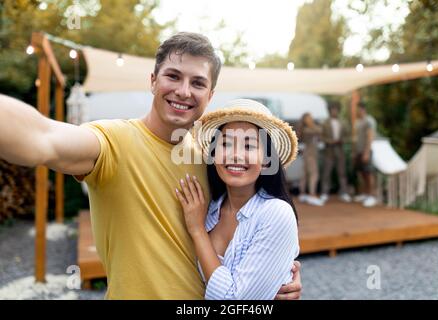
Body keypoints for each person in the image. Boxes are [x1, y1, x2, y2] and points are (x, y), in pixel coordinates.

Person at [0, 32, 301, 299]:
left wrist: (274, 283)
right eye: (173, 76)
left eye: (197, 83)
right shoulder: (114, 142)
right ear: (153, 80)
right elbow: (43, 137)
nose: (184, 91)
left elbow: (241, 250)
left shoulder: (212, 159)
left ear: (210, 96)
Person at [175, 99, 299, 299]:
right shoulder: (209, 209)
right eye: (226, 144)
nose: (236, 155)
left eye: (249, 146)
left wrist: (197, 230)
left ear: (267, 161)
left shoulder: (276, 213)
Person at [320, 102, 352, 203]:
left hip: (340, 150)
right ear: (329, 110)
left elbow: (348, 136)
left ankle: (344, 193)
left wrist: (343, 140)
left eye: (336, 109)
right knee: (326, 172)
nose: (334, 111)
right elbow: (322, 137)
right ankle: (324, 193)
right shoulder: (324, 122)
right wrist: (330, 141)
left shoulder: (344, 122)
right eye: (332, 109)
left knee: (342, 172)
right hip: (328, 151)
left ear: (338, 110)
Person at [353, 102, 377, 207]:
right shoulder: (357, 122)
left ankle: (372, 196)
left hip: (366, 151)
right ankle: (365, 194)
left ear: (363, 109)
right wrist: (354, 152)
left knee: (368, 173)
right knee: (362, 173)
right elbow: (356, 138)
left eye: (358, 109)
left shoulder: (369, 121)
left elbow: (370, 136)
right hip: (358, 151)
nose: (357, 111)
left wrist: (366, 152)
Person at [296, 112, 323, 206]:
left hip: (309, 153)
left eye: (311, 117)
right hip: (310, 154)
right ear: (304, 120)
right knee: (314, 174)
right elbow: (319, 130)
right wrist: (315, 126)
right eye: (308, 118)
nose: (310, 119)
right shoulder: (306, 129)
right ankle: (312, 195)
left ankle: (302, 194)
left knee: (305, 174)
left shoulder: (306, 128)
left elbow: (319, 131)